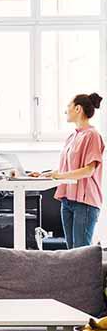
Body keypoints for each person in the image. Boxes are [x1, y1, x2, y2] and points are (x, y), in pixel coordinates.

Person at [29, 93, 104, 249]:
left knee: (80, 255)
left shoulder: (93, 135)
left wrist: (60, 175)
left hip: (85, 203)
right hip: (68, 201)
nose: (65, 111)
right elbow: (67, 168)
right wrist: (45, 174)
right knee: (71, 254)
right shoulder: (72, 137)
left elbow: (88, 170)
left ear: (78, 108)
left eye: (68, 106)